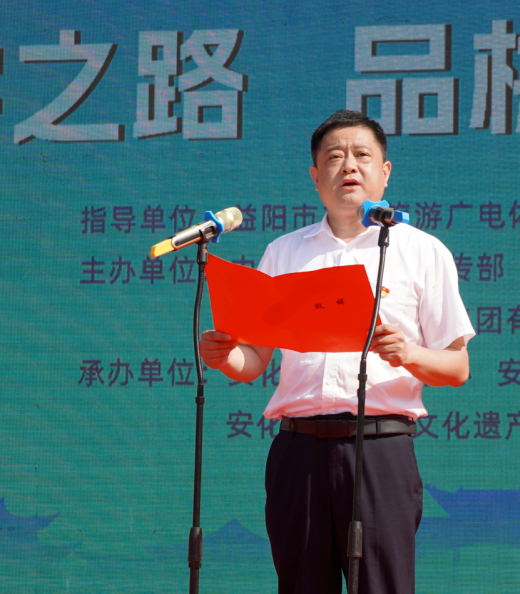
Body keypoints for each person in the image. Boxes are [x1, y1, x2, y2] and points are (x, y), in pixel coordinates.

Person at [200, 110, 474, 593]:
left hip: (380, 450)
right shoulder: (284, 252)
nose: (348, 165)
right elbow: (255, 361)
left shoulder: (422, 251)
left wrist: (408, 353)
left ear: (384, 171)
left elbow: (457, 367)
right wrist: (224, 357)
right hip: (298, 452)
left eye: (362, 155)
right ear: (315, 176)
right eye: (334, 157)